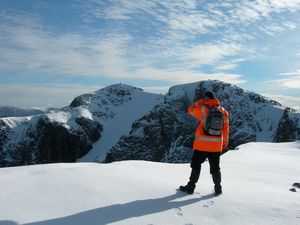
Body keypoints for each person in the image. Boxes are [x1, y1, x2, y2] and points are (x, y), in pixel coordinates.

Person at [179, 91, 229, 196]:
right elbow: (225, 129)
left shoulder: (203, 109)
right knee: (215, 168)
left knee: (196, 165)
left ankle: (191, 186)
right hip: (216, 146)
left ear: (207, 98)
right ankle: (218, 188)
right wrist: (224, 143)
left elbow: (190, 109)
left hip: (202, 145)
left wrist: (202, 101)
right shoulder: (224, 111)